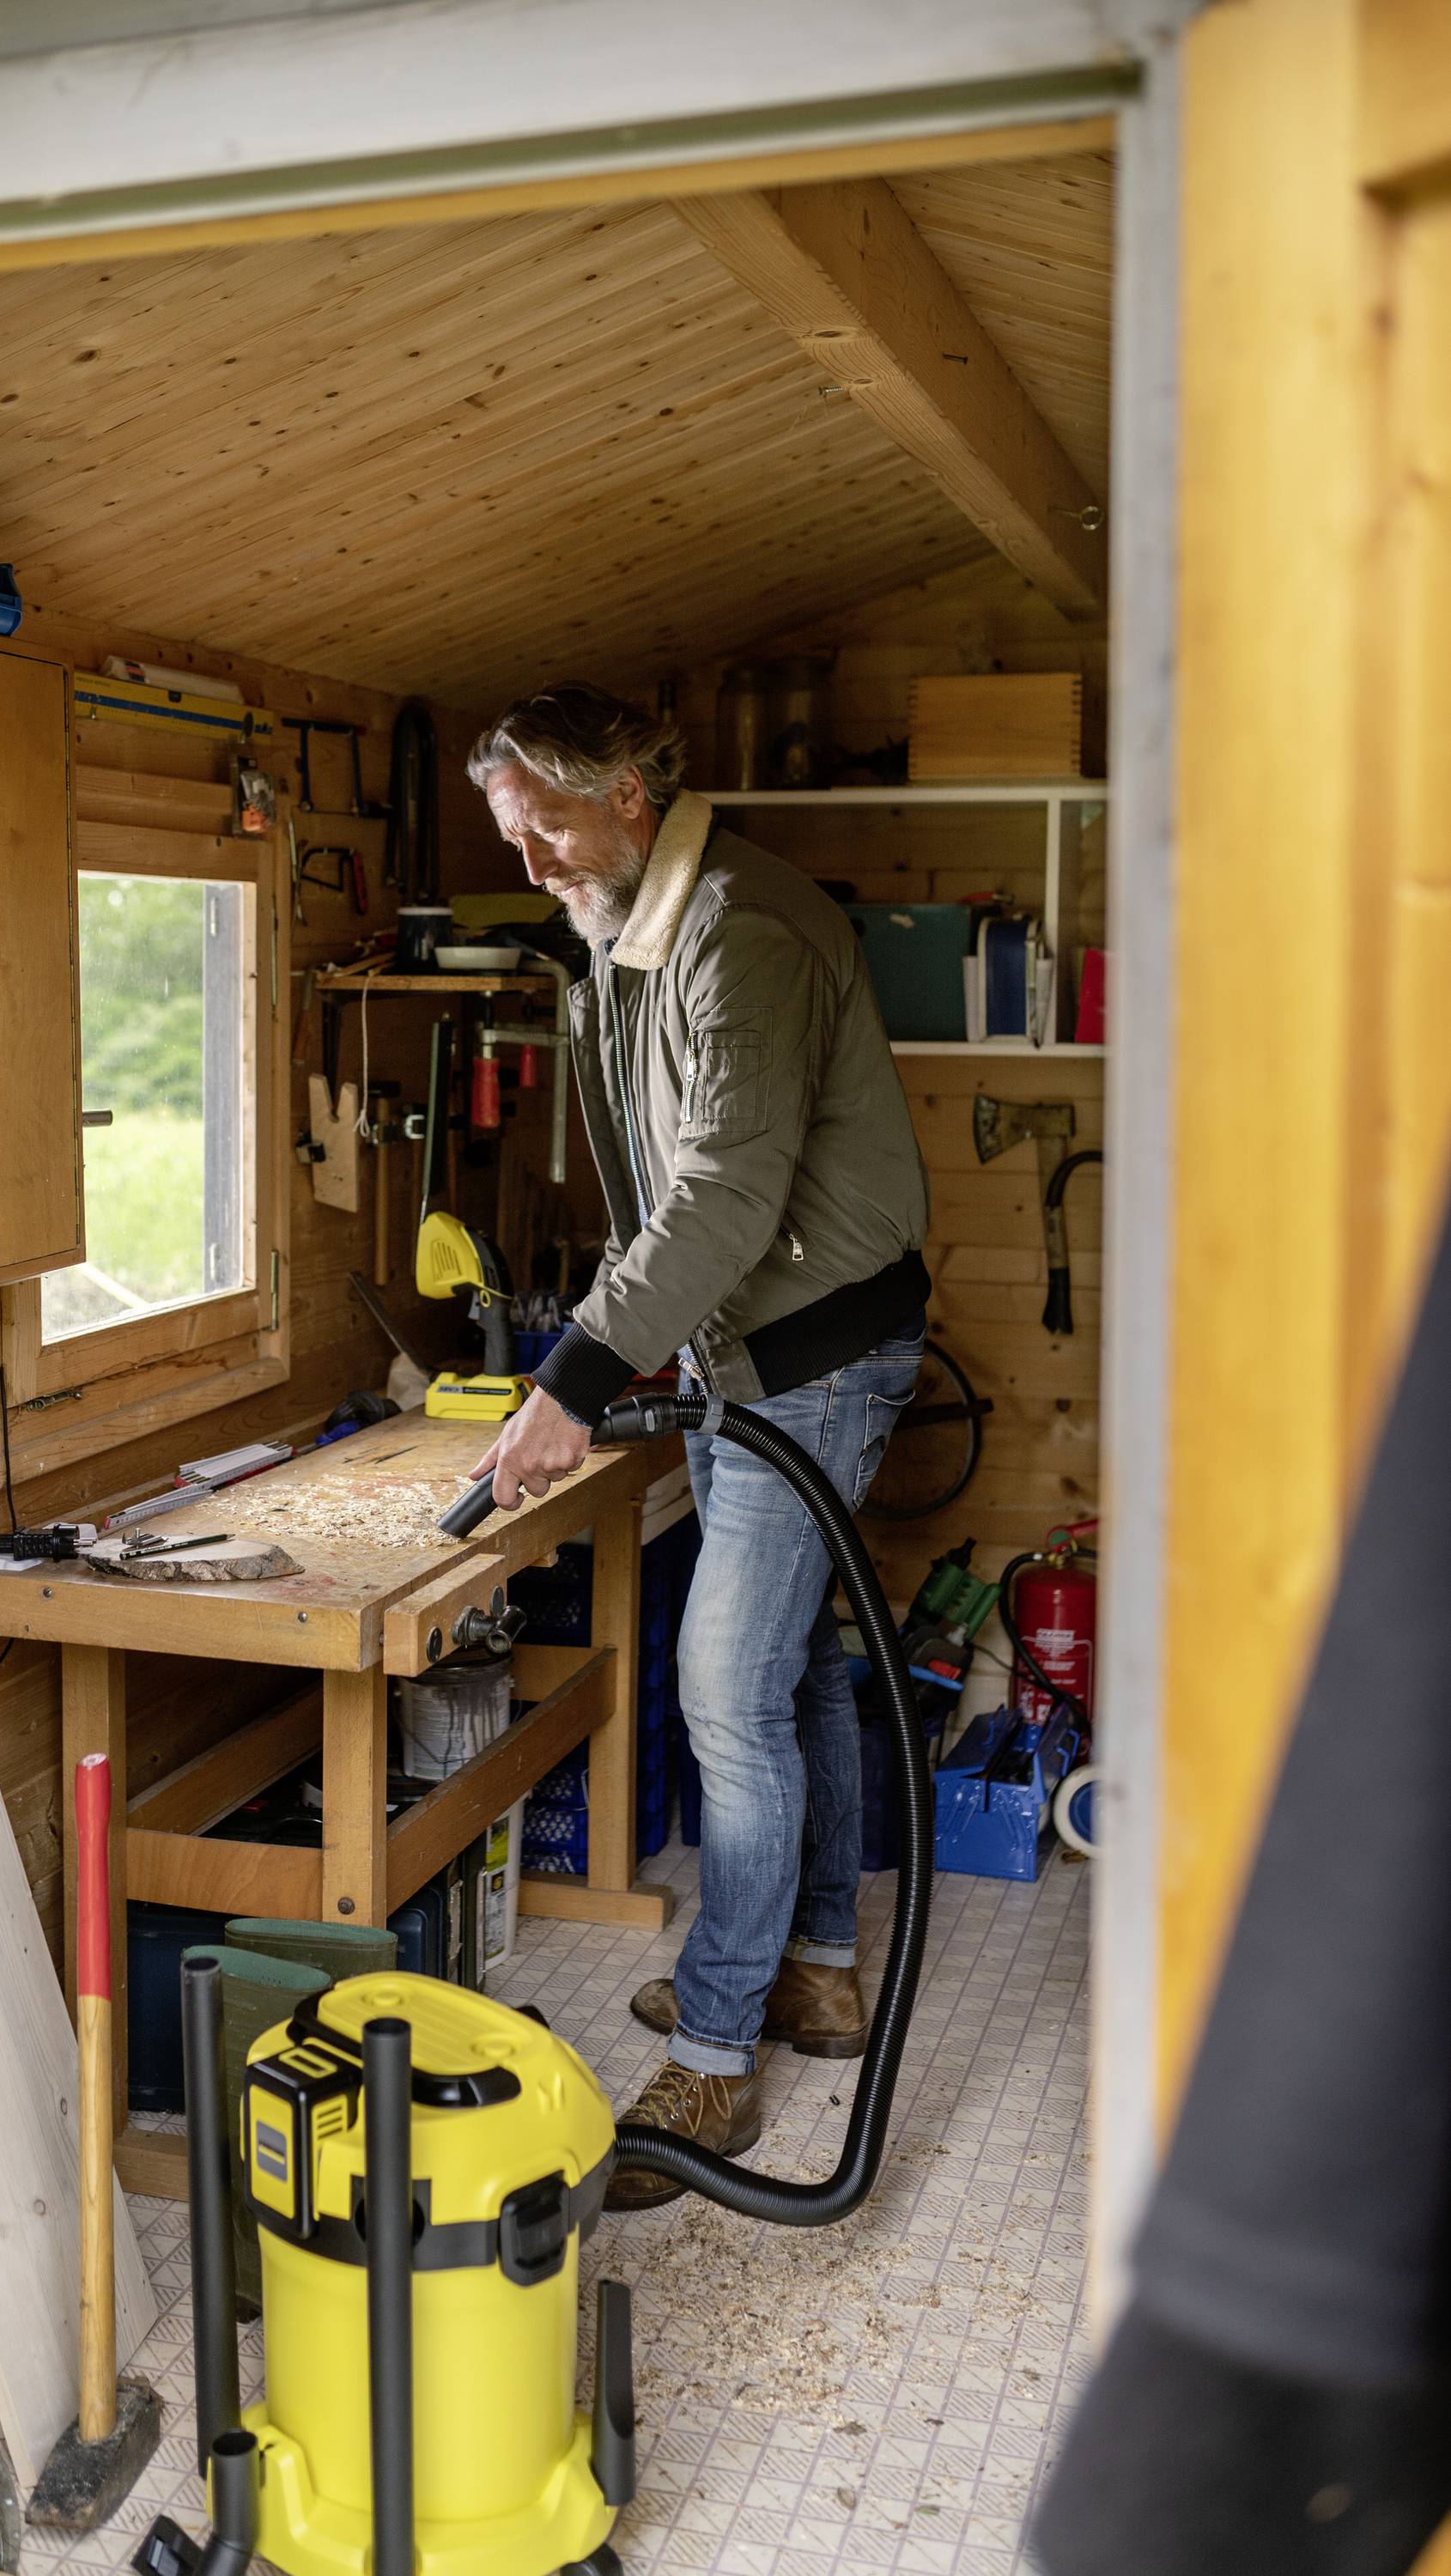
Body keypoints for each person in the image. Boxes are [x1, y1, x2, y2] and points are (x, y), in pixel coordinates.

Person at [465, 683, 930, 2208]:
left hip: (819, 1355)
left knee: (720, 1692)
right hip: (742, 1347)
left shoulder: (742, 931)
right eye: (508, 837)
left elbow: (723, 1192)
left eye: (544, 830)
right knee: (789, 1671)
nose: (528, 864)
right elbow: (659, 1187)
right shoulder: (619, 929)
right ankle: (814, 1975)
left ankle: (716, 2065)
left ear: (629, 798)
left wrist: (572, 1379)